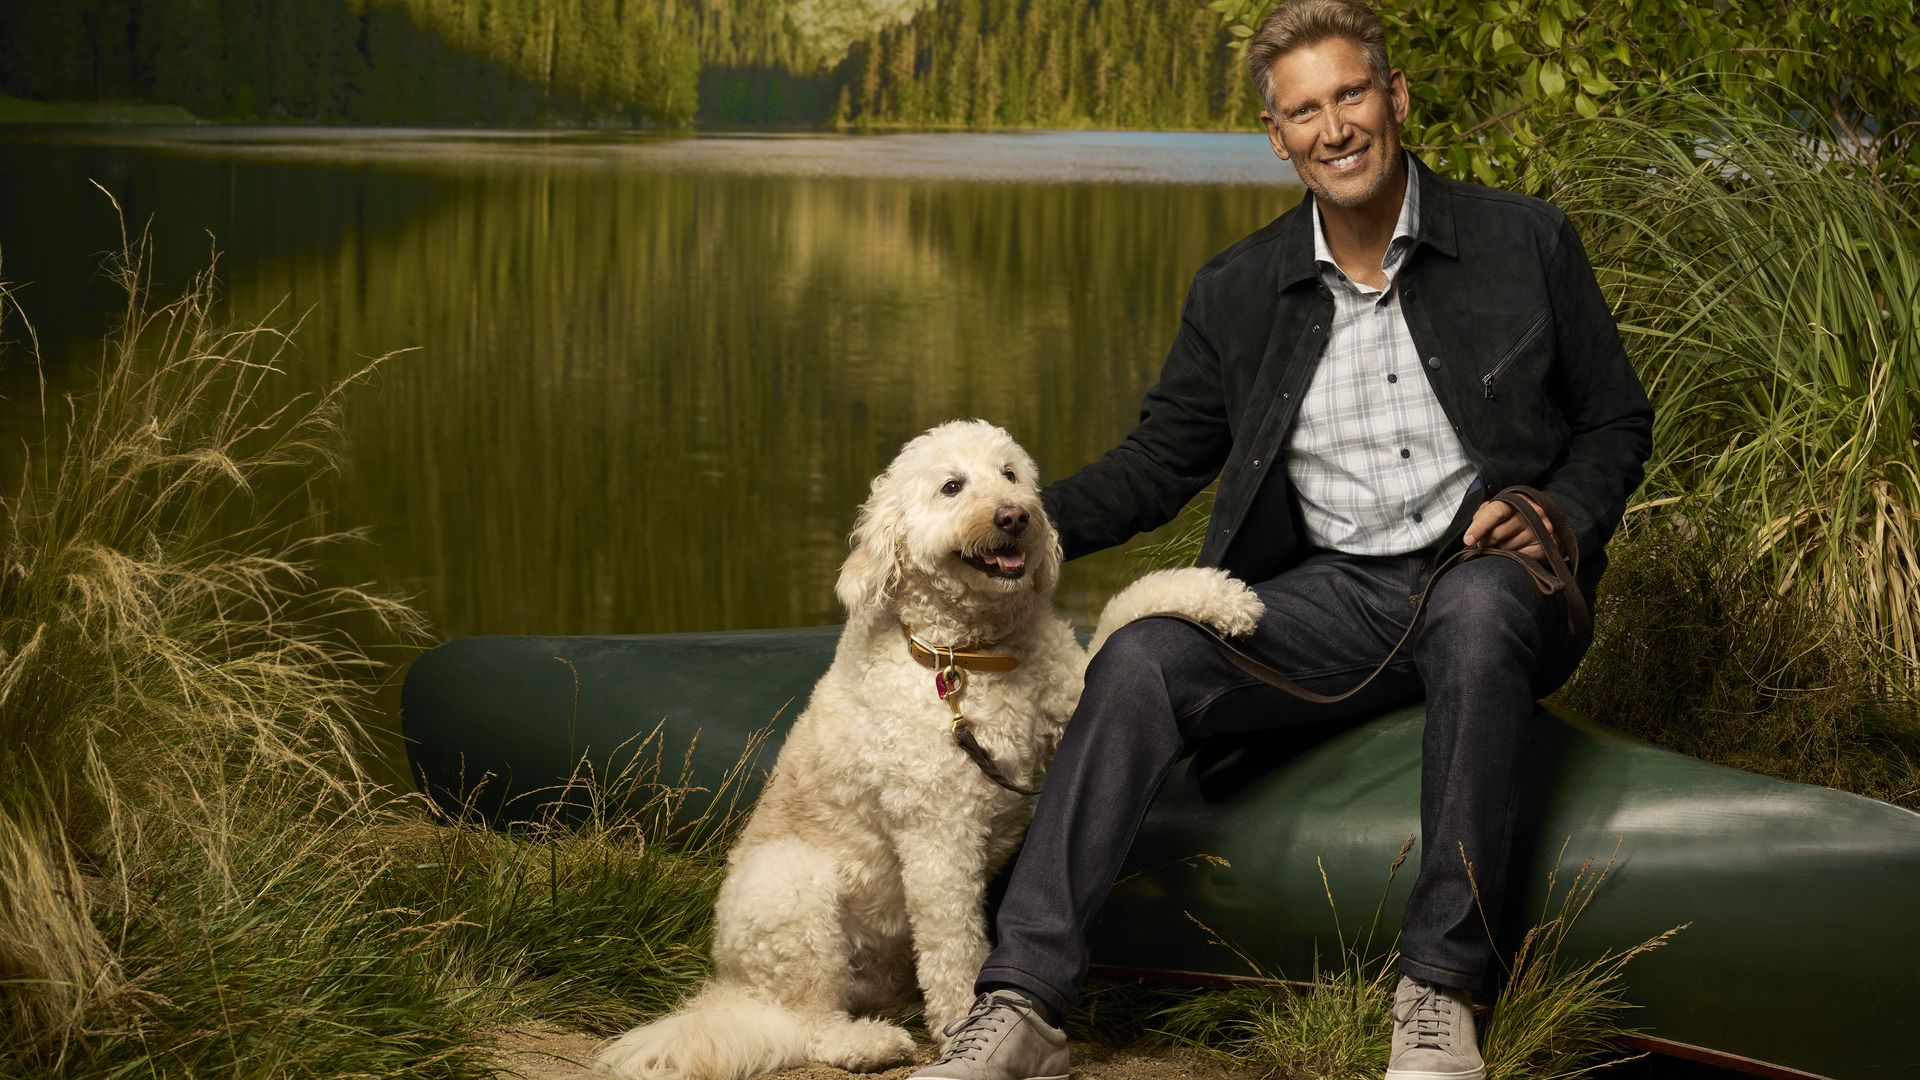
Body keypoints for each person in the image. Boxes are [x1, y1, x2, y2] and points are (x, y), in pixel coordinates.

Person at [906, 2, 1653, 1079]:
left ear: (1395, 98)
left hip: (1494, 577)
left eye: (1352, 94)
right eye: (1304, 111)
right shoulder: (1237, 290)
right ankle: (1022, 1002)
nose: (1334, 128)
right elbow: (1157, 463)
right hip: (1330, 603)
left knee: (1480, 605)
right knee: (1143, 654)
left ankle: (1439, 993)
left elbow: (1616, 422)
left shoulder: (1523, 241)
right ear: (1276, 137)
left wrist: (1556, 514)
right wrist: (1001, 524)